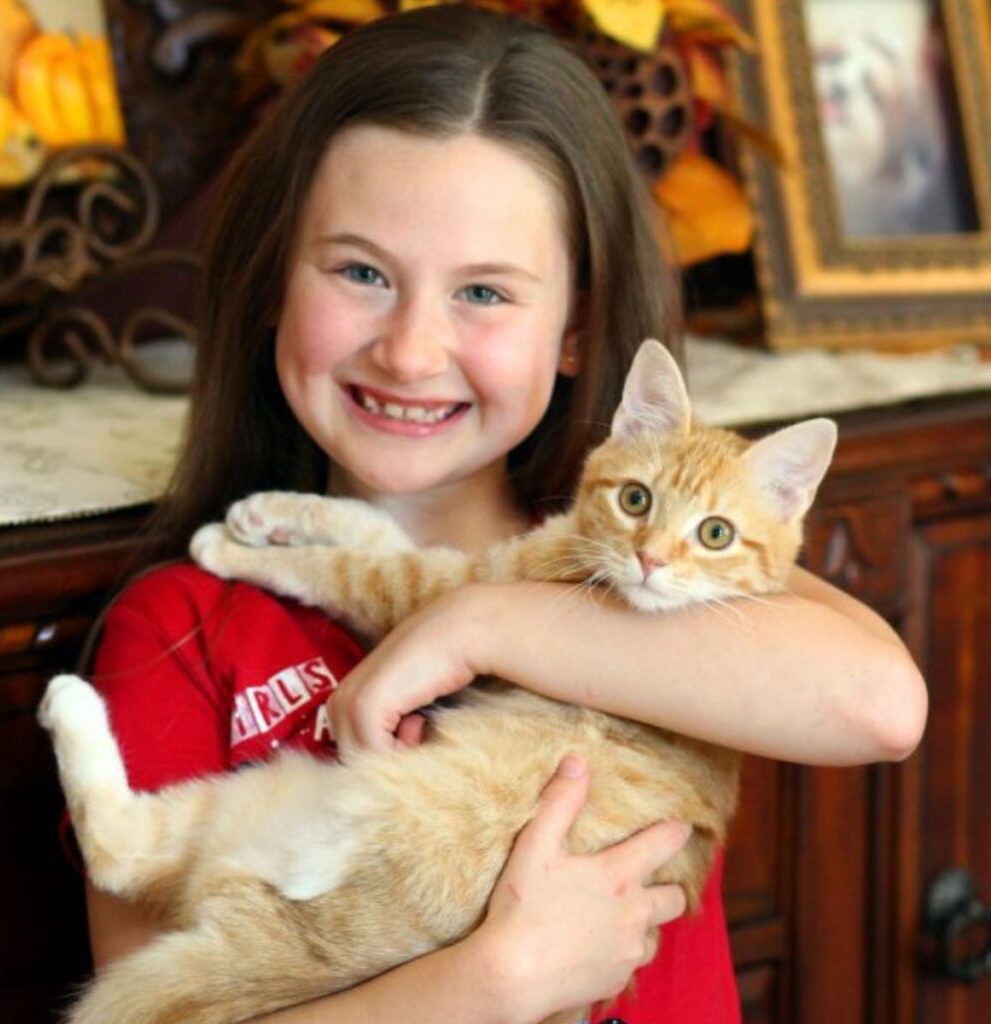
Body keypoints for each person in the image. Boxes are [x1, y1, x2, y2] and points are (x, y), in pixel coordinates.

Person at [79, 5, 928, 1023]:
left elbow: (881, 705)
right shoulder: (181, 628)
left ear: (575, 329)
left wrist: (477, 620)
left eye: (483, 292)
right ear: (271, 285)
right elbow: (149, 1008)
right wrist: (490, 983)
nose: (409, 350)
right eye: (361, 272)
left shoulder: (651, 560)